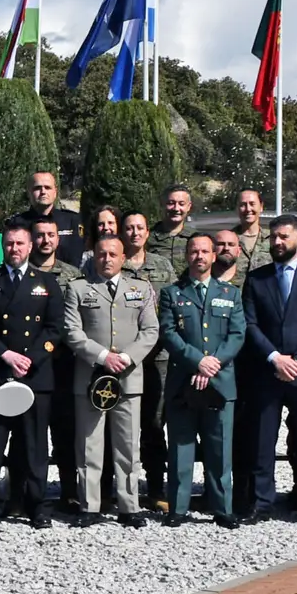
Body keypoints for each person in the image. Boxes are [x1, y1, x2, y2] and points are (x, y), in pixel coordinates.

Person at [235, 215, 297, 526]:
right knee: (262, 442)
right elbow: (250, 323)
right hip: (267, 373)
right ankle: (261, 503)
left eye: (284, 237)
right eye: (274, 237)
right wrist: (275, 358)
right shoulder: (257, 278)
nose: (277, 242)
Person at [0, 222, 65, 527]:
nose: (15, 249)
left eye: (20, 244)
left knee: (34, 446)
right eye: (10, 244)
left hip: (34, 375)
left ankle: (36, 505)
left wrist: (30, 358)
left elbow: (54, 328)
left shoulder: (47, 283)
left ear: (30, 246)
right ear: (3, 247)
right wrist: (5, 354)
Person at [61, 234, 158, 528]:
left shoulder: (140, 288)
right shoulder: (78, 288)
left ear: (123, 258)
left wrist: (126, 358)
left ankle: (129, 506)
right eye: (101, 254)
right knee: (89, 445)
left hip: (128, 378)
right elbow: (72, 331)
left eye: (113, 254)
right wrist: (103, 356)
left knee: (128, 446)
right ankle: (89, 505)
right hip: (91, 378)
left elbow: (150, 330)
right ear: (94, 257)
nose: (107, 259)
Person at [157, 233, 245, 528]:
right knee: (181, 447)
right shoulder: (172, 293)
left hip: (220, 381)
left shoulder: (230, 294)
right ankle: (178, 508)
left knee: (220, 449)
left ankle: (222, 508)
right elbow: (169, 333)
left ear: (213, 255)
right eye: (194, 251)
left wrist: (212, 364)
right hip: (183, 382)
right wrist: (197, 361)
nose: (200, 256)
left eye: (205, 251)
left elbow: (237, 335)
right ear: (187, 255)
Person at [29, 215, 85, 508]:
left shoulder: (73, 275)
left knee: (65, 430)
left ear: (58, 238)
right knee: (28, 433)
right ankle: (25, 493)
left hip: (64, 363)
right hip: (28, 363)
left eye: (51, 235)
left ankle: (69, 491)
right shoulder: (21, 271)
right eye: (39, 235)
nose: (45, 240)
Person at [121, 211, 173, 503]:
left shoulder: (162, 265)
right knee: (120, 425)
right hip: (122, 359)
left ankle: (155, 487)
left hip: (157, 357)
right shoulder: (114, 263)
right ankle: (118, 489)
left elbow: (172, 306)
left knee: (154, 423)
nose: (135, 233)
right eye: (129, 228)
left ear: (147, 232)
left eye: (140, 227)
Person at [12, 172, 84, 266]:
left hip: (66, 274)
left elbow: (77, 255)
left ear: (55, 192)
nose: (43, 192)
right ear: (29, 192)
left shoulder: (72, 220)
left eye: (47, 187)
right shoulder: (16, 223)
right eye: (37, 188)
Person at [148, 186, 195, 276]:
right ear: (162, 205)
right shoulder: (147, 238)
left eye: (181, 204)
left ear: (189, 206)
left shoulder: (195, 238)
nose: (176, 208)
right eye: (171, 203)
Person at [231, 188, 272, 280]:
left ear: (261, 207)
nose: (248, 209)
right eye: (243, 205)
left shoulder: (273, 239)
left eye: (252, 204)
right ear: (237, 208)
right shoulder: (228, 240)